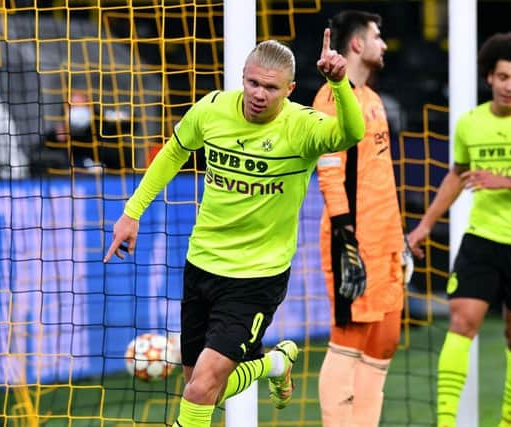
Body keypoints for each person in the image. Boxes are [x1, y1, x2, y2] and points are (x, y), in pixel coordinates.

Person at [104, 30, 367, 427]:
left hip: (257, 276)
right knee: (200, 386)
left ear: (290, 89)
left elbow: (351, 133)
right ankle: (274, 363)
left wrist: (339, 83)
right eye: (253, 83)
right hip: (202, 265)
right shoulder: (212, 109)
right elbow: (174, 151)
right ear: (242, 77)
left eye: (271, 88)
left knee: (198, 391)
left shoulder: (303, 128)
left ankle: (269, 365)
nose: (259, 94)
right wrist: (132, 212)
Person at [407, 32, 511, 427]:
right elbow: (456, 175)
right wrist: (424, 226)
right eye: (503, 77)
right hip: (481, 239)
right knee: (461, 323)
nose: (509, 85)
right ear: (490, 78)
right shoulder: (470, 123)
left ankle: (509, 422)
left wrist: (506, 180)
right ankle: (445, 422)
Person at [314, 11, 413, 427]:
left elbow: (378, 176)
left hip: (386, 241)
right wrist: (343, 234)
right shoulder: (331, 98)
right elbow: (329, 171)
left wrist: (400, 239)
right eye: (378, 36)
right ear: (356, 44)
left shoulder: (372, 99)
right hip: (353, 241)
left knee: (386, 341)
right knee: (349, 341)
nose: (384, 44)